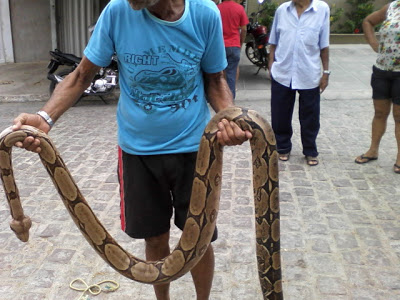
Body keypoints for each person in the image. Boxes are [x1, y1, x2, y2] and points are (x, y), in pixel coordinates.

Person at [11, 0, 252, 299]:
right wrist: (44, 119)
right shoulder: (117, 11)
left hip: (196, 150)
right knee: (154, 237)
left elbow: (215, 80)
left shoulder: (205, 14)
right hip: (137, 152)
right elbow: (81, 75)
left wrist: (228, 117)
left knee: (199, 240)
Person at [268, 0, 330, 166]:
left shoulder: (322, 9)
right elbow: (273, 41)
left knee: (310, 116)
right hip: (282, 72)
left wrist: (326, 72)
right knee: (280, 113)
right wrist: (271, 66)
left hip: (308, 72)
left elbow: (324, 45)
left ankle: (310, 150)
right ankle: (282, 147)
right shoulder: (282, 10)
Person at [354, 1, 400, 174]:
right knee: (379, 113)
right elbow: (368, 21)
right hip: (382, 70)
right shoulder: (393, 6)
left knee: (399, 116)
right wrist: (374, 44)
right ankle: (373, 150)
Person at [218, 0, 249, 99]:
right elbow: (244, 29)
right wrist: (240, 43)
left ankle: (220, 98)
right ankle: (230, 100)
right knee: (231, 74)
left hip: (220, 46)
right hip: (234, 45)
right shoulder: (239, 8)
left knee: (219, 74)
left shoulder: (218, 8)